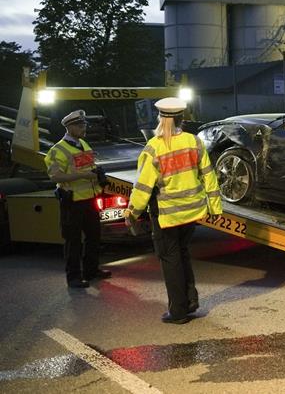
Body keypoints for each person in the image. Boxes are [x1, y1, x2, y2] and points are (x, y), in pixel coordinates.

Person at [124, 97, 222, 324]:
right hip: (192, 212)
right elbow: (209, 176)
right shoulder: (194, 141)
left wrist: (132, 213)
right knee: (182, 253)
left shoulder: (154, 148)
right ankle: (189, 301)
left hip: (168, 215)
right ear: (182, 119)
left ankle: (178, 312)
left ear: (160, 118)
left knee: (171, 260)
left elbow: (143, 187)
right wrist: (215, 208)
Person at [45, 110, 111, 288]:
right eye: (80, 126)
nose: (84, 129)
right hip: (72, 201)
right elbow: (55, 177)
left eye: (84, 125)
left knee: (94, 237)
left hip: (89, 198)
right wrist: (84, 175)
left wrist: (97, 172)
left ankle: (91, 271)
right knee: (73, 241)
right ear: (70, 127)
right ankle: (73, 277)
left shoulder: (83, 144)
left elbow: (89, 165)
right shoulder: (57, 150)